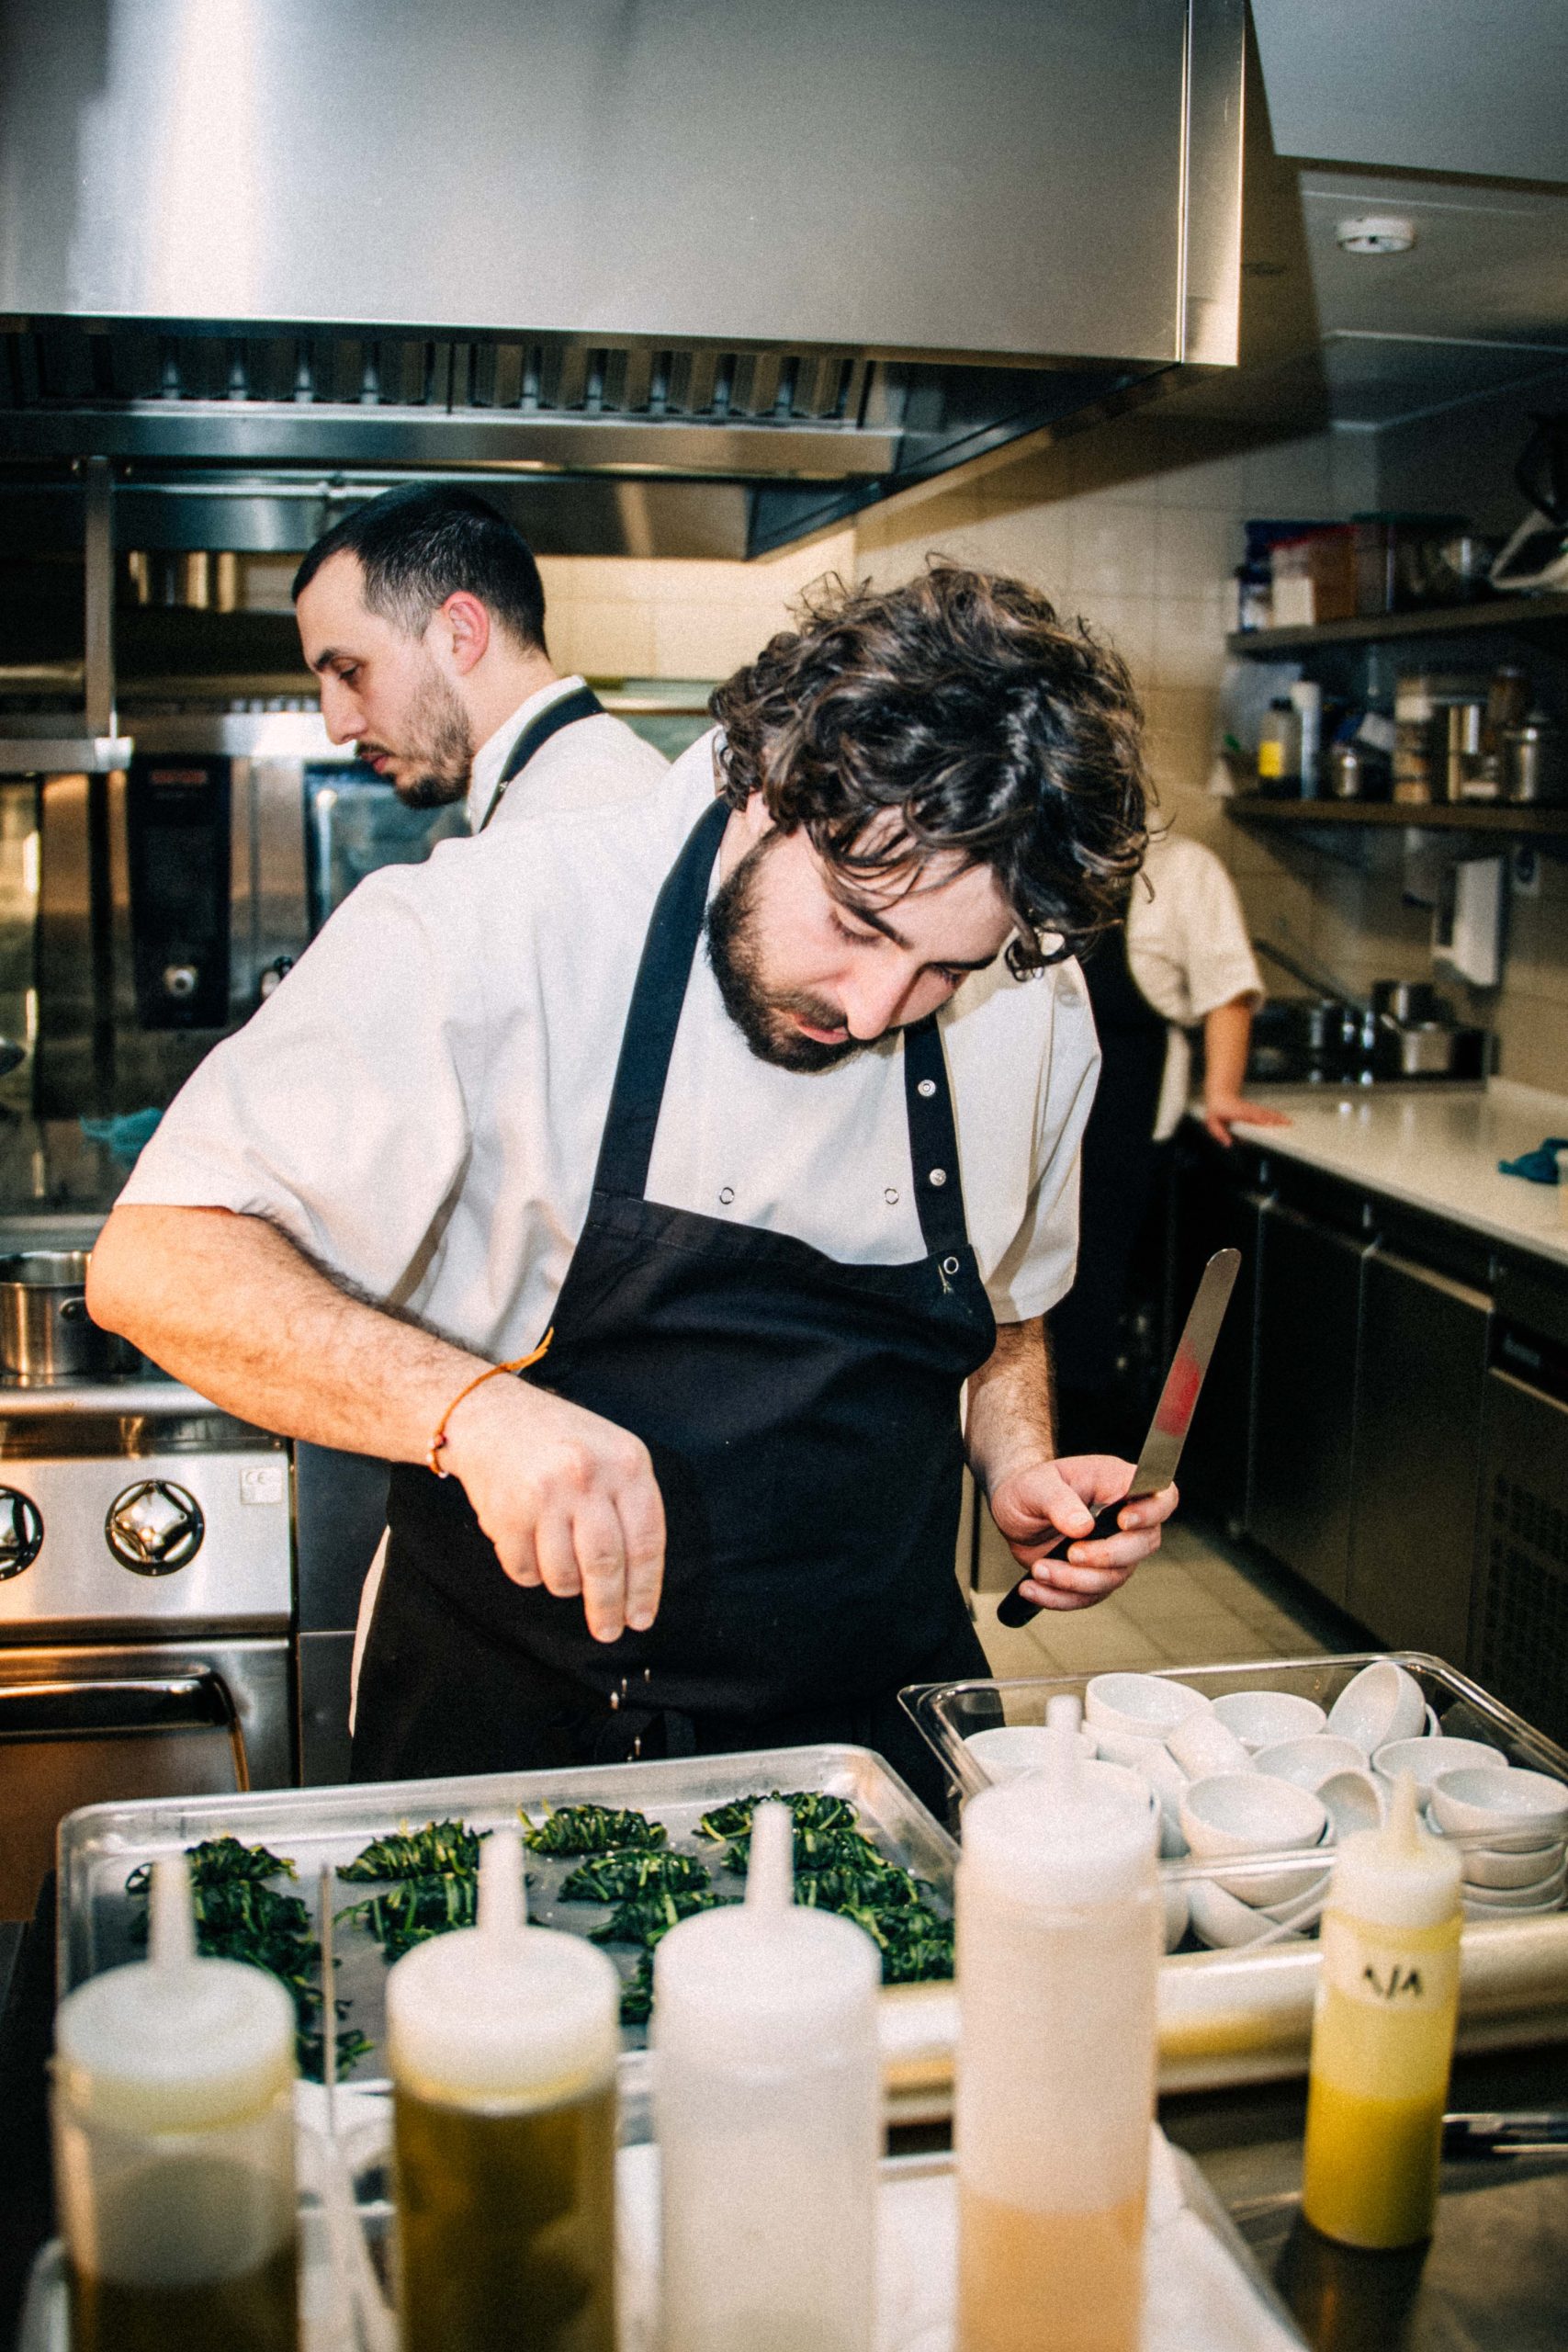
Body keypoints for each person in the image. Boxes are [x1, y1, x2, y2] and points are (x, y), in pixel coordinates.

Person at [87, 566, 1178, 1807]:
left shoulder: (1035, 1004)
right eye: (858, 925)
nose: (878, 1010)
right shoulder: (494, 929)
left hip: (871, 1743)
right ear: (764, 787)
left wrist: (1017, 1461)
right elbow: (158, 1259)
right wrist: (469, 1412)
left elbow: (1007, 1310)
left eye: (945, 971)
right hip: (523, 1741)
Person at [1048, 825, 1290, 1456]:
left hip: (1123, 1118)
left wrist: (1222, 1090)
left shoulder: (1183, 868)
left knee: (1094, 1302)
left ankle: (1088, 1466)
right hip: (1036, 1113)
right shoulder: (1040, 850)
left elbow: (1227, 989)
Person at [292, 482, 667, 831]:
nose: (337, 728)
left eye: (349, 671)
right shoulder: (591, 780)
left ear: (461, 633)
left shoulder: (571, 817)